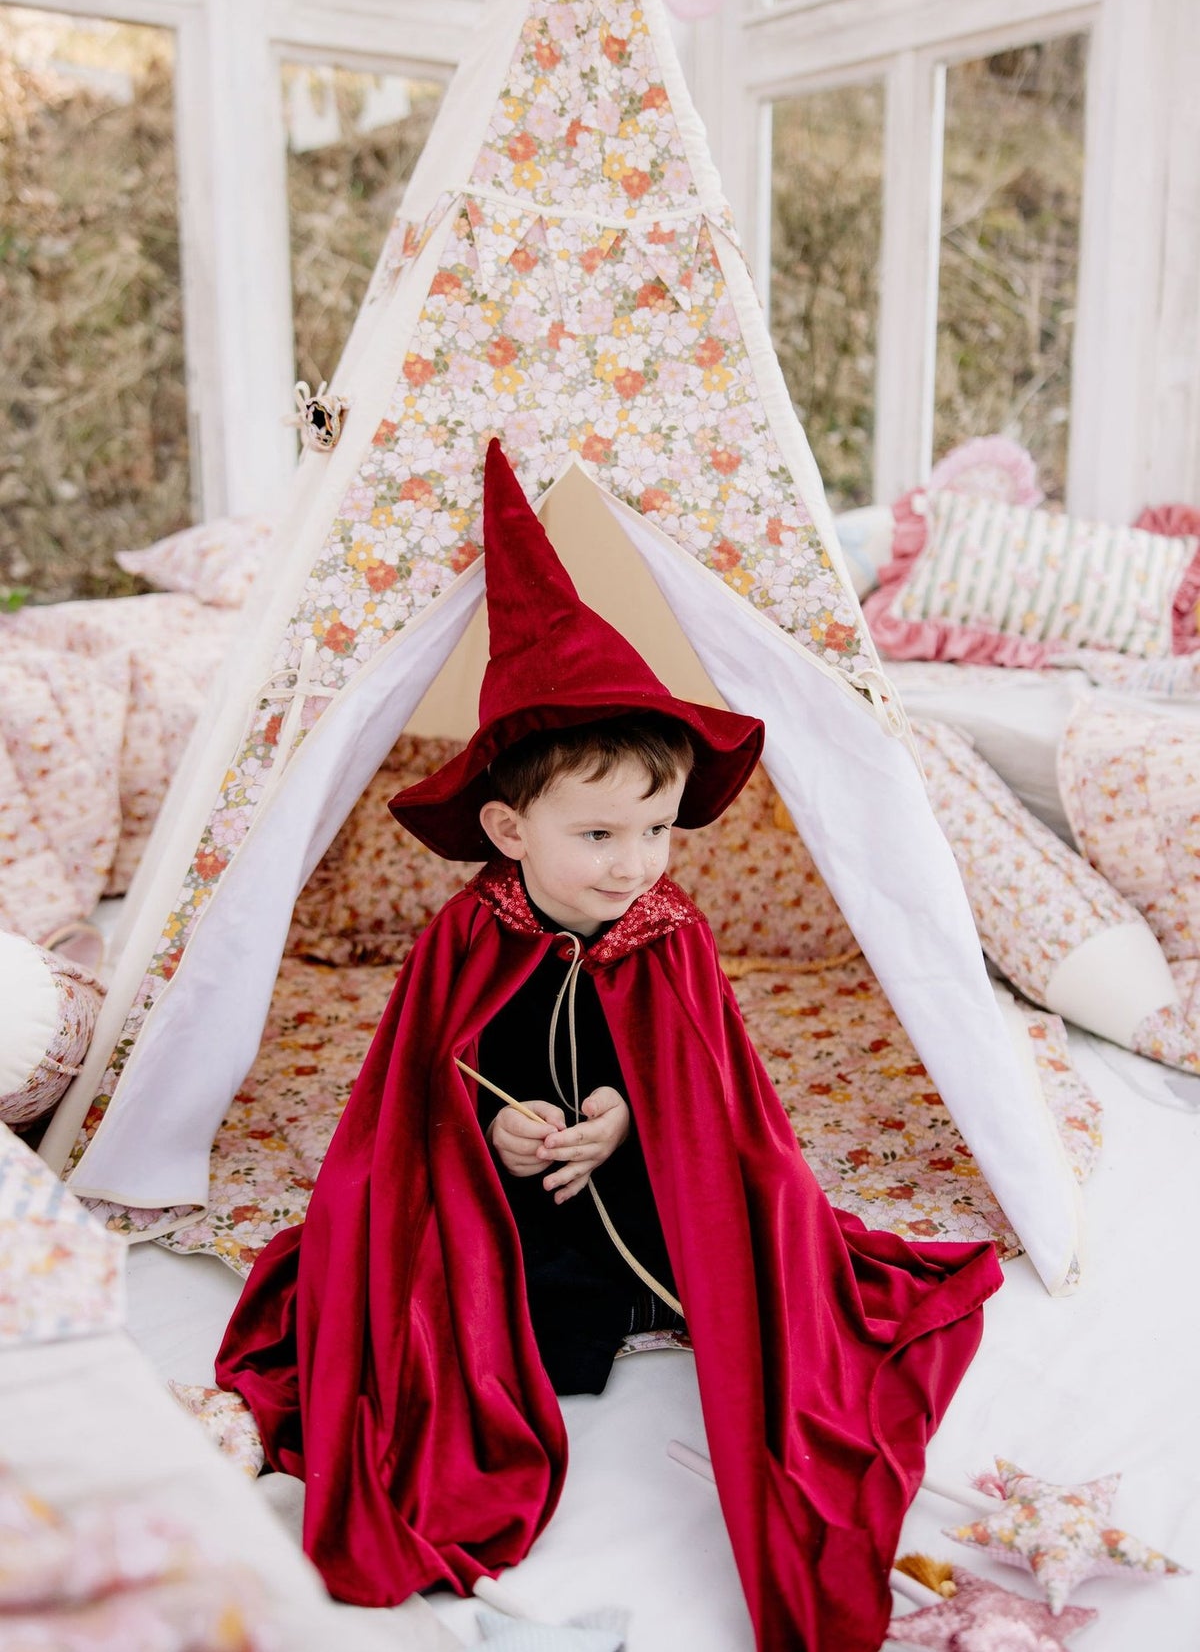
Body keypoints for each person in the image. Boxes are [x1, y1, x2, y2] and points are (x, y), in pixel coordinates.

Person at [216, 438, 1003, 1652]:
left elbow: (710, 1102)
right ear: (506, 825)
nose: (635, 859)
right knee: (473, 1287)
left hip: (632, 1177)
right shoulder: (462, 936)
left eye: (656, 826)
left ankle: (629, 1277)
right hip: (511, 1193)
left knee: (710, 1231)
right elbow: (420, 1099)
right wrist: (498, 1128)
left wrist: (627, 1120)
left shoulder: (668, 931)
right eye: (598, 832)